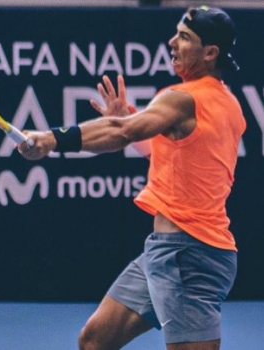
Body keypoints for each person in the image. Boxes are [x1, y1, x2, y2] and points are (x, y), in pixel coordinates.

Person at [18, 6, 246, 350]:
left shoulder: (183, 99)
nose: (172, 43)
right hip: (166, 252)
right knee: (95, 340)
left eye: (184, 38)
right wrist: (128, 122)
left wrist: (52, 139)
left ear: (210, 53)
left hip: (190, 254)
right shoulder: (227, 104)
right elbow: (163, 151)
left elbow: (121, 133)